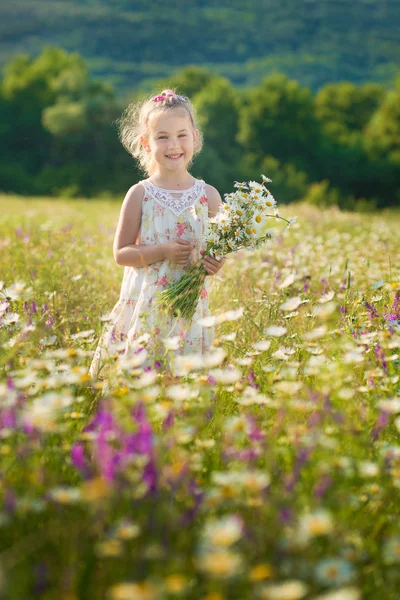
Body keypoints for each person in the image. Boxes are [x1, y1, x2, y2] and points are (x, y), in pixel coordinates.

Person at [89, 88, 226, 380]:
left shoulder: (209, 197)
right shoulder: (140, 194)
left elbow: (218, 251)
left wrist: (215, 263)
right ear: (146, 143)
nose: (173, 144)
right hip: (146, 304)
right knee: (139, 378)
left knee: (185, 380)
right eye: (162, 136)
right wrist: (162, 251)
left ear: (195, 138)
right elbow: (121, 253)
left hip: (190, 305)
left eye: (181, 135)